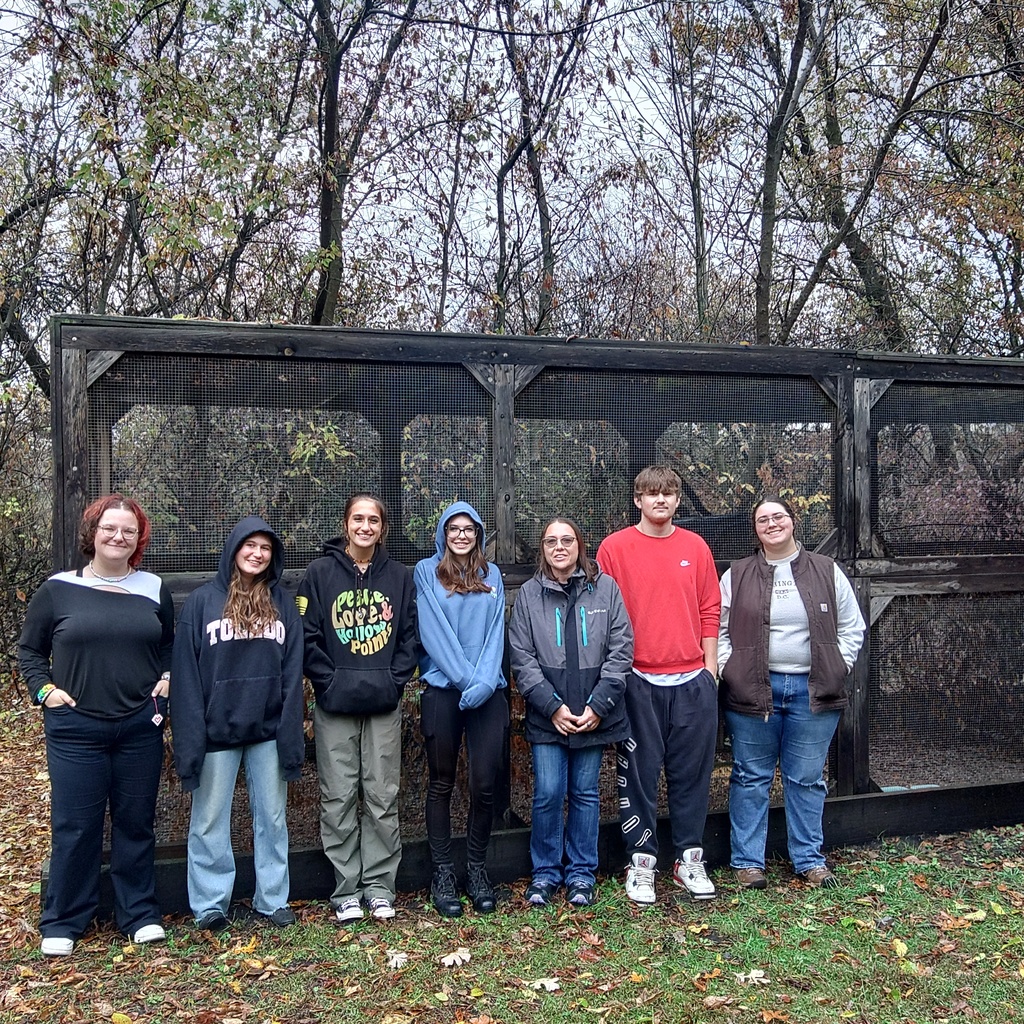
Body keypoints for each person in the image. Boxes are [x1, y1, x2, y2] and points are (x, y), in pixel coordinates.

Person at [18, 495, 173, 956]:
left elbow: (167, 644)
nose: (118, 537)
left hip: (139, 726)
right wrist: (45, 692)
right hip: (74, 729)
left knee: (135, 822)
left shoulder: (153, 587)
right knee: (76, 825)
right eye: (109, 528)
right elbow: (30, 651)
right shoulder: (57, 589)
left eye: (128, 531)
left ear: (137, 539)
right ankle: (64, 919)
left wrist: (167, 679)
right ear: (93, 533)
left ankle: (139, 913)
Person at [718, 496, 866, 890]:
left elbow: (853, 627)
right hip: (752, 691)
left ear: (793, 521)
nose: (771, 524)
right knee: (751, 777)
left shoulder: (826, 570)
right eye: (762, 519)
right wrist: (729, 670)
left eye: (778, 516)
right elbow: (717, 629)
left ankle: (809, 860)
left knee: (805, 778)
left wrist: (839, 666)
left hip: (813, 691)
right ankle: (748, 863)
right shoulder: (737, 574)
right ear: (755, 529)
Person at [171, 517, 305, 930]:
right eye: (249, 545)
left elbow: (292, 672)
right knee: (209, 820)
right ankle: (211, 904)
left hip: (267, 731)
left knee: (273, 818)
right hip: (216, 733)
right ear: (233, 549)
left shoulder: (282, 603)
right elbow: (186, 676)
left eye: (265, 548)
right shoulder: (201, 603)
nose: (256, 554)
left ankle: (272, 899)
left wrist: (289, 730)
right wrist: (192, 736)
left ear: (273, 557)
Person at [596, 465, 721, 904]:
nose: (660, 501)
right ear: (638, 501)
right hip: (638, 681)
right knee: (638, 777)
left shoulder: (696, 546)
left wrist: (709, 670)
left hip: (692, 681)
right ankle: (642, 863)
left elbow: (710, 608)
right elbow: (604, 614)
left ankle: (690, 859)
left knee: (692, 776)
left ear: (677, 500)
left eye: (668, 494)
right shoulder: (613, 549)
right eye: (652, 494)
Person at [297, 494, 417, 923]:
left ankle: (380, 886)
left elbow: (410, 635)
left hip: (383, 702)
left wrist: (393, 680)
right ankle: (346, 889)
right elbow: (306, 634)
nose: (365, 527)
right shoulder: (318, 574)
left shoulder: (400, 577)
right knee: (339, 796)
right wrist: (328, 681)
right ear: (345, 524)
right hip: (335, 704)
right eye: (357, 519)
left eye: (373, 520)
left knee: (383, 794)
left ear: (382, 528)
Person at [509, 517, 633, 907]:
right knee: (547, 792)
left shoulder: (606, 588)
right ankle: (545, 873)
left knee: (584, 792)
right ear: (542, 549)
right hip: (548, 714)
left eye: (567, 540)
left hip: (595, 712)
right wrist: (551, 706)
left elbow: (621, 649)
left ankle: (581, 873)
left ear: (581, 545)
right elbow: (522, 658)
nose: (559, 547)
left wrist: (599, 705)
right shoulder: (529, 595)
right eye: (551, 541)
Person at [414, 501, 508, 918]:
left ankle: (475, 870)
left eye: (469, 529)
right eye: (453, 528)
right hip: (443, 691)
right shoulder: (425, 572)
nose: (461, 535)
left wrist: (484, 683)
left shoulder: (493, 576)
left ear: (479, 534)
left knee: (485, 784)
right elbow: (432, 632)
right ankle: (443, 874)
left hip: (488, 693)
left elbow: (495, 634)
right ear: (442, 534)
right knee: (441, 783)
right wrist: (465, 681)